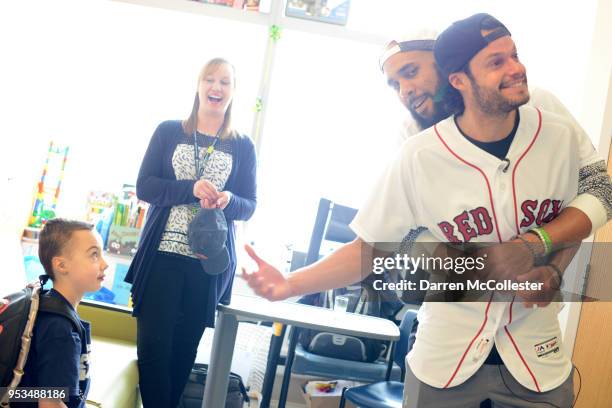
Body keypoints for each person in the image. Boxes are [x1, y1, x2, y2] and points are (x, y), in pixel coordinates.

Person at [242, 13, 611, 407]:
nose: (405, 90)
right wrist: (291, 284)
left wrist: (548, 260)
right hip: (447, 350)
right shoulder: (414, 143)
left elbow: (591, 194)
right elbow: (378, 244)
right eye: (396, 84)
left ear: (451, 67)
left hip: (536, 354)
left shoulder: (537, 110)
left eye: (412, 72)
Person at [125, 58, 257, 407]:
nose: (216, 88)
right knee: (153, 350)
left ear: (233, 92)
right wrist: (190, 188)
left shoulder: (242, 144)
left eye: (225, 82)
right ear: (198, 86)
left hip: (206, 263)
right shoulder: (169, 131)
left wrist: (229, 200)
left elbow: (250, 205)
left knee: (183, 353)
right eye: (209, 80)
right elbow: (145, 187)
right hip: (162, 257)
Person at [15, 219, 107, 408]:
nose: (104, 264)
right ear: (61, 265)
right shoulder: (60, 330)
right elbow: (50, 403)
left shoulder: (49, 305)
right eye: (94, 255)